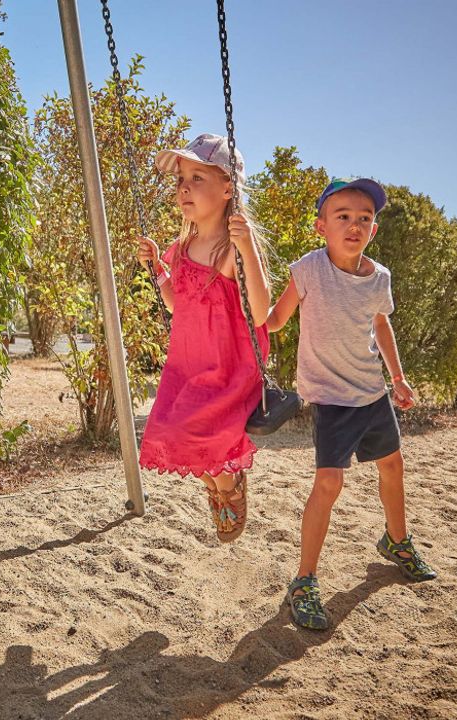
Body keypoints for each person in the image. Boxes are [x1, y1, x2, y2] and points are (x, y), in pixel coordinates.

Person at [266, 177, 437, 629]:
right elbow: (276, 320)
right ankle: (303, 580)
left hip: (371, 392)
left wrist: (397, 377)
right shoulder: (309, 269)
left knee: (393, 466)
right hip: (331, 398)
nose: (354, 225)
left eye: (364, 218)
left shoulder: (378, 277)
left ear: (373, 230)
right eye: (343, 216)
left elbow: (381, 326)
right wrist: (245, 305)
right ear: (322, 227)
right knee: (329, 484)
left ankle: (397, 541)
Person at [137, 133, 271, 543]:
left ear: (227, 188)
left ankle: (227, 486)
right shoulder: (184, 246)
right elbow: (177, 303)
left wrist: (247, 248)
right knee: (177, 431)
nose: (183, 188)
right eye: (181, 180)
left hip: (229, 366)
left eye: (197, 178)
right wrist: (158, 268)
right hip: (190, 362)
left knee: (205, 435)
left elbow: (262, 312)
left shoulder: (231, 249)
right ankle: (220, 482)